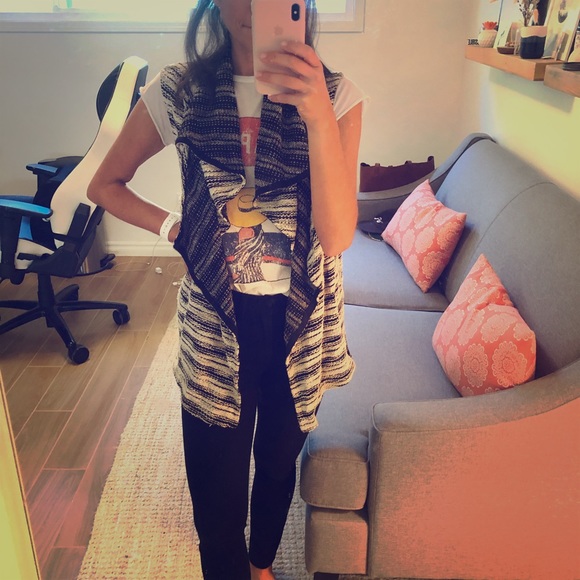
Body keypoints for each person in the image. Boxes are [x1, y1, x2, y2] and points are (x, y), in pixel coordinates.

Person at [88, 0, 365, 578]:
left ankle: (261, 565)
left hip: (298, 325)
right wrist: (176, 227)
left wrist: (317, 116)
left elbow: (337, 235)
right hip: (217, 322)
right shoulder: (180, 91)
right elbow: (105, 184)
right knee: (216, 499)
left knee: (277, 467)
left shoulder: (338, 96)